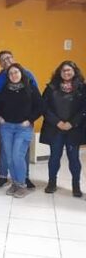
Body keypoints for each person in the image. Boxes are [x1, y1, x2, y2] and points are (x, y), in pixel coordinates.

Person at [0, 64, 43, 198]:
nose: (13, 75)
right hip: (7, 128)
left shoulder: (31, 89)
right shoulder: (5, 89)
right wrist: (0, 116)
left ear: (21, 73)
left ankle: (22, 184)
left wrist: (30, 120)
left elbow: (40, 107)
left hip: (23, 128)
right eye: (10, 73)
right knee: (9, 158)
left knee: (17, 155)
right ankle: (15, 183)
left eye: (16, 72)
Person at [40, 61, 86, 197]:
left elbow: (84, 108)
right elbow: (44, 107)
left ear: (74, 71)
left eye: (69, 70)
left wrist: (72, 123)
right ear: (59, 73)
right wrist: (57, 122)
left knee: (74, 158)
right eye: (63, 70)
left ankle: (76, 185)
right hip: (55, 128)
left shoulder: (82, 88)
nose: (66, 73)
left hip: (74, 128)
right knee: (54, 157)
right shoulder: (51, 87)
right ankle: (52, 182)